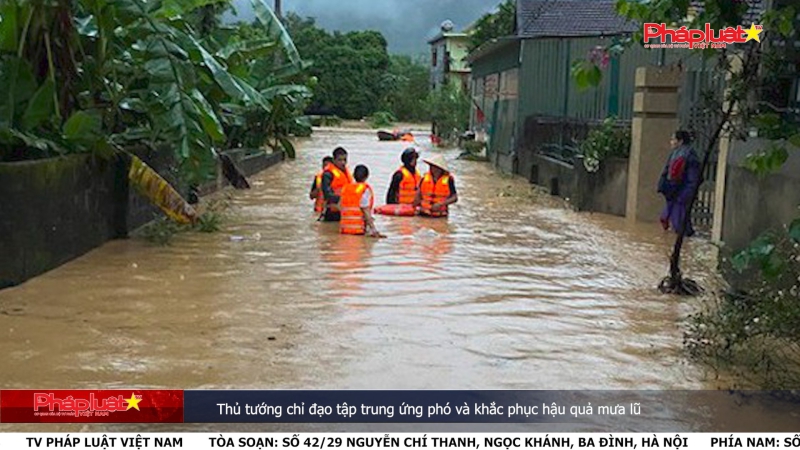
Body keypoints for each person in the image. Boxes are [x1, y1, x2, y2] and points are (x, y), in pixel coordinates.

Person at [658, 130, 701, 237]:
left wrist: (687, 193)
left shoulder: (688, 156)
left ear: (680, 141)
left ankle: (685, 243)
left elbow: (693, 178)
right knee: (671, 219)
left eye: (673, 139)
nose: (671, 142)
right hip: (675, 192)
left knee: (680, 225)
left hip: (680, 193)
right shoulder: (676, 153)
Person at [340, 165, 384, 237]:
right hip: (358, 231)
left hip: (344, 230)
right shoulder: (364, 189)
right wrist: (374, 230)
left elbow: (340, 206)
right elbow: (365, 210)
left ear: (353, 175)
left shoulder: (346, 188)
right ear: (367, 176)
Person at [320, 147, 354, 222]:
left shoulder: (346, 173)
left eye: (345, 160)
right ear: (334, 160)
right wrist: (343, 199)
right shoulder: (328, 174)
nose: (343, 163)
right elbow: (327, 194)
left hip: (344, 210)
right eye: (340, 160)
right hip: (332, 212)